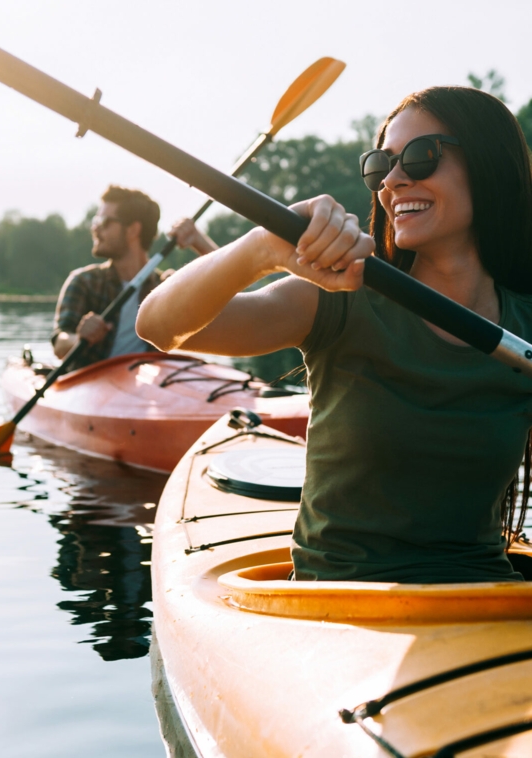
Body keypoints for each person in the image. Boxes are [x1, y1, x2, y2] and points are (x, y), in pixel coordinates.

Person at [136, 86, 532, 584]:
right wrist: (263, 249)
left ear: (490, 165)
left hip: (486, 601)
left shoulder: (525, 326)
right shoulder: (338, 297)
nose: (391, 180)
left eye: (420, 156)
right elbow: (157, 326)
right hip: (339, 604)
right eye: (379, 165)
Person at [52, 185, 216, 369]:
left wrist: (198, 241)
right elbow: (59, 344)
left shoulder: (165, 288)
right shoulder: (84, 282)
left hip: (145, 389)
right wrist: (79, 338)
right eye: (95, 221)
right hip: (89, 386)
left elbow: (228, 285)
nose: (95, 229)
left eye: (104, 222)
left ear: (132, 230)